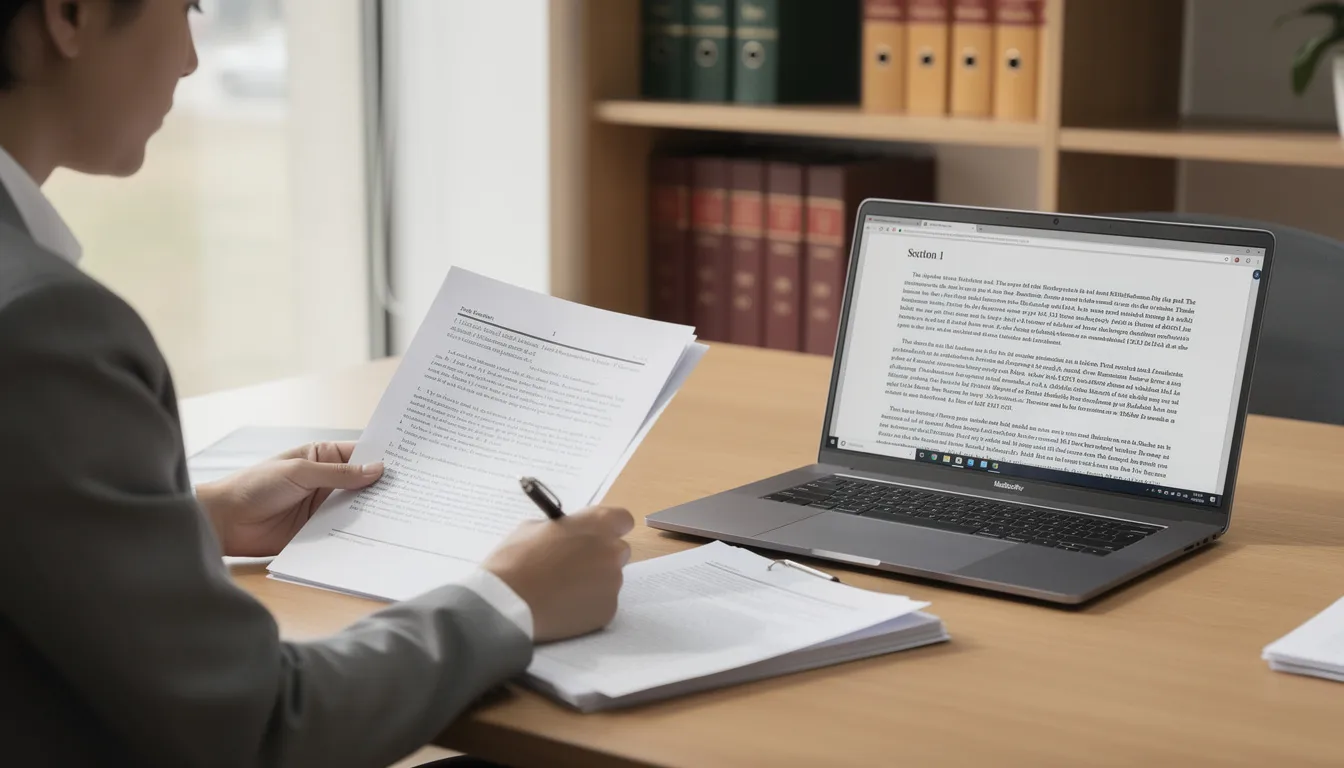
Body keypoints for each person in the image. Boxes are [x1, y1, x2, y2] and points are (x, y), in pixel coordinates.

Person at [0, 1, 633, 766]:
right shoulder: (42, 323)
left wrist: (203, 520)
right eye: (188, 6)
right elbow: (261, 725)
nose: (191, 61)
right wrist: (509, 600)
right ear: (70, 15)